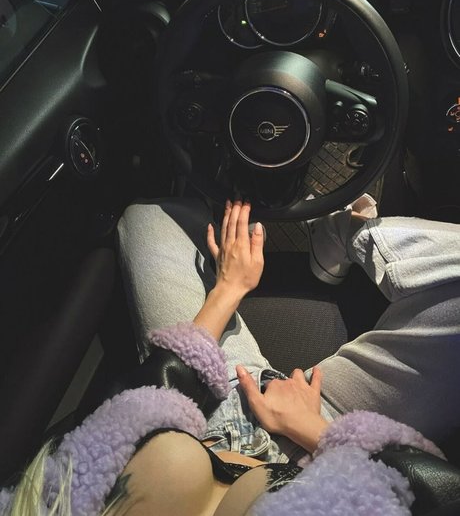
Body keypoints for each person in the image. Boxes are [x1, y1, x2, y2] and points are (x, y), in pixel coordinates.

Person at [0, 197, 459, 515]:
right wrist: (313, 429)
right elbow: (434, 496)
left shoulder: (42, 505)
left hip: (207, 402)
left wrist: (229, 288)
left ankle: (332, 233)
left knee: (151, 216)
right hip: (333, 434)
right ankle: (347, 229)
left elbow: (146, 406)